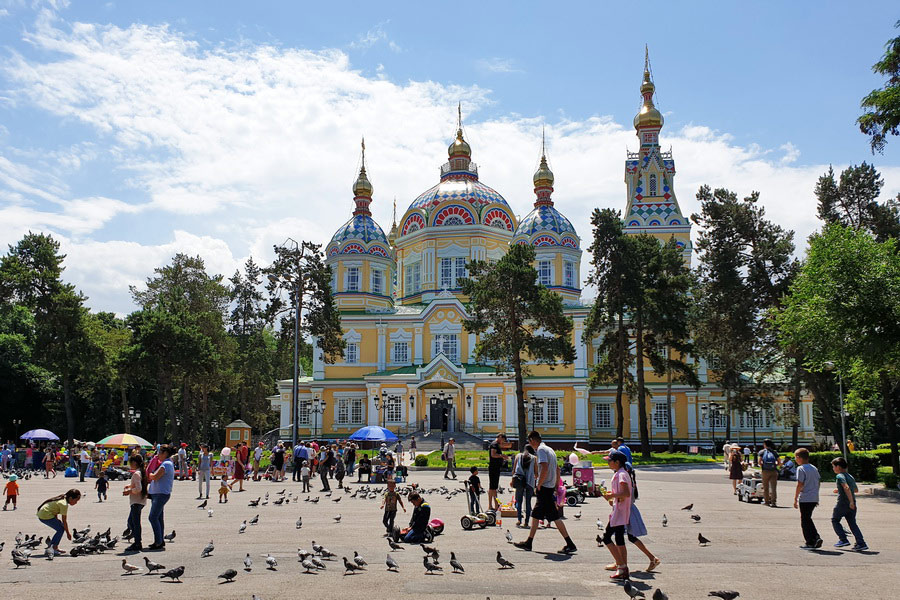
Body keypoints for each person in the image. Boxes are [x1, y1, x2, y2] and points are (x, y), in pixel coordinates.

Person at [514, 431, 577, 554]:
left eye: (529, 441)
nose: (530, 444)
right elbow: (557, 469)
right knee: (537, 515)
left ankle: (570, 543)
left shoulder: (541, 450)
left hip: (545, 487)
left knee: (554, 517)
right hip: (549, 486)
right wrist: (555, 485)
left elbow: (545, 467)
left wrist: (539, 484)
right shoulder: (550, 449)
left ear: (532, 440)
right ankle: (529, 542)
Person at [621, 463, 661, 573]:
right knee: (630, 537)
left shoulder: (626, 481)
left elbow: (625, 497)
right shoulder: (631, 480)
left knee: (619, 536)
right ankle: (651, 558)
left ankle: (620, 563)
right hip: (630, 510)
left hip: (626, 510)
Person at [599, 450, 632, 580]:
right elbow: (622, 494)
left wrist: (612, 495)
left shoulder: (621, 475)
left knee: (606, 537)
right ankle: (622, 565)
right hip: (620, 510)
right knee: (619, 538)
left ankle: (621, 566)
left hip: (619, 512)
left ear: (617, 462)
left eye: (609, 461)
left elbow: (626, 493)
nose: (608, 463)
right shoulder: (621, 473)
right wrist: (612, 498)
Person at [830, 456, 867, 551]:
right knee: (852, 523)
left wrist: (849, 501)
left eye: (834, 466)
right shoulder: (850, 476)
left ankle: (843, 539)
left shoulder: (840, 476)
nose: (833, 469)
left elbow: (846, 487)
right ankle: (861, 543)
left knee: (835, 520)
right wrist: (839, 490)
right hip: (852, 503)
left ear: (838, 466)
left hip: (843, 503)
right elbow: (855, 489)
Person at [792, 448, 822, 550]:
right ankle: (815, 537)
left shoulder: (801, 469)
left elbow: (800, 484)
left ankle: (810, 541)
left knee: (804, 520)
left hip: (805, 497)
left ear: (799, 458)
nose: (795, 459)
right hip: (814, 497)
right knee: (807, 518)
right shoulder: (814, 468)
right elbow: (818, 482)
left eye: (795, 457)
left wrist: (795, 498)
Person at [147, 444, 175, 550]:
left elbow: (155, 477)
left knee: (153, 517)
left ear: (165, 453)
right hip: (158, 494)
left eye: (159, 452)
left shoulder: (166, 464)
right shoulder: (166, 463)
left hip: (161, 494)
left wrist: (149, 473)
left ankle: (158, 541)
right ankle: (160, 540)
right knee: (158, 518)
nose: (158, 455)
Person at [37, 488, 81, 555]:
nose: (76, 503)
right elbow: (64, 521)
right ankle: (52, 548)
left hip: (43, 514)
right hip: (45, 515)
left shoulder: (62, 498)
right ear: (71, 498)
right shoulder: (64, 504)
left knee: (60, 527)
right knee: (61, 529)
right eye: (76, 501)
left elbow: (55, 511)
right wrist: (68, 533)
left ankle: (55, 547)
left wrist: (57, 520)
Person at [123, 454, 148, 552]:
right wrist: (130, 485)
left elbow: (138, 488)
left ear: (134, 463)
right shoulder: (142, 472)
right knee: (132, 521)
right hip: (140, 501)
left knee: (135, 523)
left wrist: (129, 491)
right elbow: (139, 484)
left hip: (136, 501)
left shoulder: (136, 474)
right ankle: (136, 539)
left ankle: (137, 542)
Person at [512, 444, 537, 528]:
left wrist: (513, 480)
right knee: (528, 502)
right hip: (530, 482)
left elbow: (514, 470)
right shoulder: (534, 458)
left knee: (519, 501)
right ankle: (526, 522)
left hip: (519, 481)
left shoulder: (518, 456)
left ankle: (519, 519)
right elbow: (536, 473)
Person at [487, 433, 509, 511]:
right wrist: (502, 456)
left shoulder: (496, 445)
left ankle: (496, 504)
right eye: (503, 440)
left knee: (494, 487)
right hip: (493, 468)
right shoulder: (494, 444)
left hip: (496, 468)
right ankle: (490, 505)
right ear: (500, 437)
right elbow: (493, 454)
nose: (503, 442)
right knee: (492, 487)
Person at [758, 439, 782, 507]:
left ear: (765, 444)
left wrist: (764, 466)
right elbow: (780, 463)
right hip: (774, 471)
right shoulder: (774, 452)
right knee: (773, 488)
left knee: (766, 487)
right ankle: (773, 502)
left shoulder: (762, 452)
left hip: (765, 471)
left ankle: (766, 502)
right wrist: (774, 465)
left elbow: (759, 462)